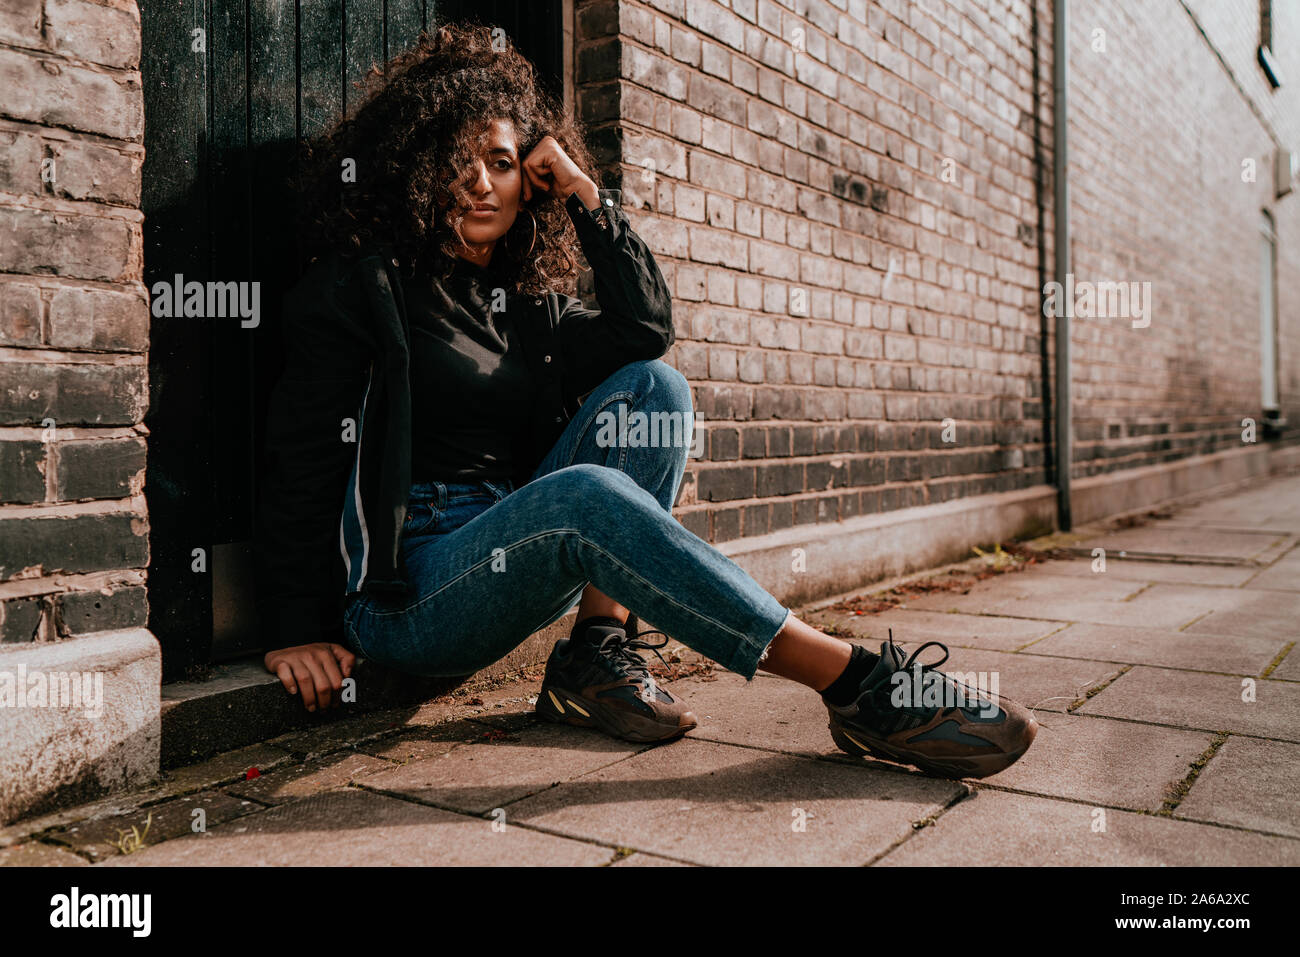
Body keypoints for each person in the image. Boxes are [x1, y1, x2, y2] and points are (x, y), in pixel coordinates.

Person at [253, 22, 1038, 779]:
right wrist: (294, 626)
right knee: (581, 497)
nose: (479, 181)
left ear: (528, 182)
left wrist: (587, 198)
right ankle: (858, 683)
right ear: (419, 164)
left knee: (655, 390)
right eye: (457, 159)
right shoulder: (362, 289)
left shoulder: (527, 308)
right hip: (409, 592)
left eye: (500, 161)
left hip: (510, 541)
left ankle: (596, 654)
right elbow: (303, 452)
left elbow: (645, 327)